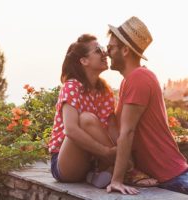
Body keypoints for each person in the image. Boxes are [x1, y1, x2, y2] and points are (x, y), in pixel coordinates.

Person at [106, 16, 188, 195]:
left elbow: (127, 132)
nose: (107, 52)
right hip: (168, 175)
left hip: (172, 176)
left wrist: (116, 181)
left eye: (110, 47)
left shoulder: (138, 78)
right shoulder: (131, 80)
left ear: (125, 50)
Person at [48, 34, 118, 188]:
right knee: (86, 119)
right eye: (98, 50)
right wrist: (107, 152)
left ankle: (105, 171)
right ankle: (124, 169)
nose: (105, 53)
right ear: (84, 61)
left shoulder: (105, 90)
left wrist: (122, 149)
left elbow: (112, 128)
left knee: (94, 122)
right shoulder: (72, 86)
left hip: (93, 159)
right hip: (65, 162)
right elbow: (71, 130)